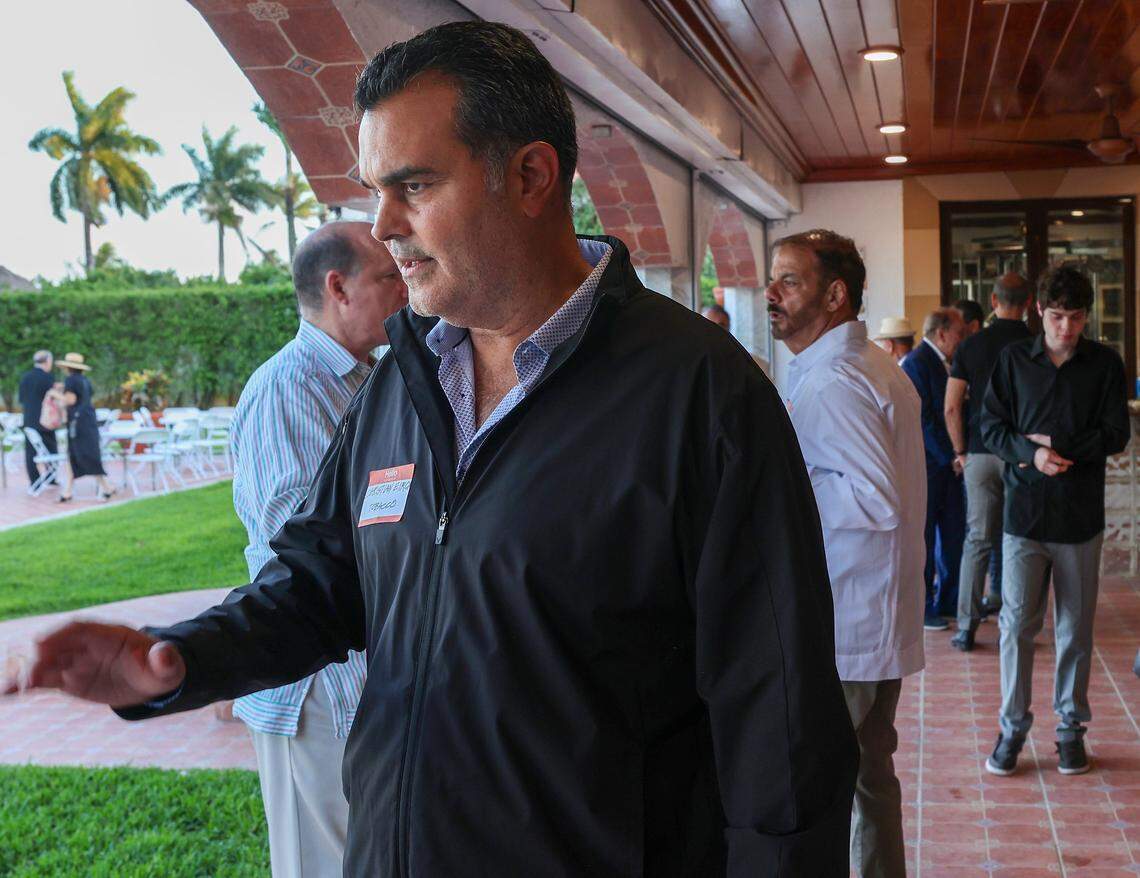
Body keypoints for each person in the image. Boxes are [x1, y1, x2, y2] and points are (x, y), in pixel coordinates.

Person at [10, 21, 858, 877]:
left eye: (413, 185)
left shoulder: (700, 392)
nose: (383, 226)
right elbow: (318, 581)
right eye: (375, 191)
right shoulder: (403, 377)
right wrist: (179, 660)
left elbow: (780, 724)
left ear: (531, 176)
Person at [230, 221, 408, 878]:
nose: (405, 290)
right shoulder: (289, 387)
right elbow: (299, 544)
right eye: (389, 277)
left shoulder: (369, 377)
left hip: (360, 678)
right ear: (339, 288)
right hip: (312, 687)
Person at [774, 229, 925, 878]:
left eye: (790, 281)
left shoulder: (837, 379)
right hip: (868, 610)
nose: (771, 293)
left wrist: (778, 490)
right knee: (868, 779)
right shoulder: (867, 367)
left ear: (835, 295)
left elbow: (874, 499)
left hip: (850, 617)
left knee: (828, 786)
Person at [981, 264, 1129, 777]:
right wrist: (1032, 453)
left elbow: (1116, 433)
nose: (1067, 328)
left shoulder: (1104, 364)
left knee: (1075, 630)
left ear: (1088, 315)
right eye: (1058, 316)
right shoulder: (1012, 361)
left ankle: (1070, 730)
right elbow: (989, 426)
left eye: (1077, 317)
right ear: (1039, 311)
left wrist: (1062, 447)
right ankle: (1011, 729)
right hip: (1024, 516)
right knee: (1016, 628)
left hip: (1080, 517)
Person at [945, 274, 1032, 651]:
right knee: (1019, 540)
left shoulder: (971, 345)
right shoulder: (1035, 344)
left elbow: (951, 406)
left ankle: (966, 627)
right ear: (1029, 303)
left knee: (977, 540)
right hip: (1021, 455)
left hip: (979, 453)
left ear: (993, 300)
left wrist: (961, 451)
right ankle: (1016, 626)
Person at [902, 308, 967, 631]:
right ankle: (924, 606)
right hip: (929, 466)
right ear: (941, 333)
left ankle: (949, 600)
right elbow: (923, 418)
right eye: (959, 333)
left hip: (951, 467)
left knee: (954, 535)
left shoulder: (949, 363)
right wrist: (950, 456)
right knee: (925, 540)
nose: (963, 339)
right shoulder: (916, 363)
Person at [56, 352, 115, 502]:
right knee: (81, 454)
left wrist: (55, 395)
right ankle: (70, 490)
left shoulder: (70, 380)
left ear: (68, 368)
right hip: (88, 420)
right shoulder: (85, 381)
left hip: (78, 424)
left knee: (81, 454)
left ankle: (105, 487)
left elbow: (70, 400)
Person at [18, 350, 58, 487]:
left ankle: (35, 481)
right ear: (47, 361)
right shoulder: (47, 377)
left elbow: (21, 399)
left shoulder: (25, 377)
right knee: (51, 448)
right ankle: (51, 478)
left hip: (29, 418)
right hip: (45, 419)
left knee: (31, 451)